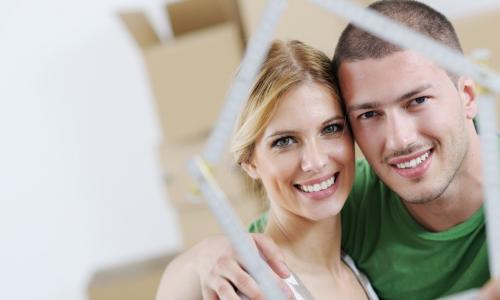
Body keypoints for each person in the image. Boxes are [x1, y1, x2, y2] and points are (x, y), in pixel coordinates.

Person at [157, 1, 500, 299]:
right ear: (248, 161)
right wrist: (200, 257)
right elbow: (238, 255)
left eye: (418, 101)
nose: (399, 140)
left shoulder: (344, 251)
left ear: (468, 96)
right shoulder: (343, 204)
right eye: (369, 114)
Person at [158, 39, 378, 300]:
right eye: (284, 142)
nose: (315, 161)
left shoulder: (352, 272)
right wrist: (192, 262)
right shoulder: (251, 286)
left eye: (330, 129)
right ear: (249, 162)